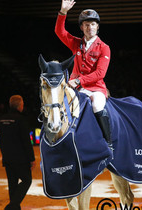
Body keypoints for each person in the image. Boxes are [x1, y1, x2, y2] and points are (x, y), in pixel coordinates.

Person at [55, 0, 113, 152]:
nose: (90, 27)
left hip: (95, 88)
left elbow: (100, 73)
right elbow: (59, 32)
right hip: (77, 88)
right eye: (86, 24)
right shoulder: (76, 43)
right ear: (82, 27)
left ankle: (108, 143)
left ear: (97, 26)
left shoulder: (104, 48)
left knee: (96, 105)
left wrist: (79, 80)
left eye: (93, 24)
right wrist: (63, 12)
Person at [0, 95, 35, 210]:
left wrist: (4, 155)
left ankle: (14, 207)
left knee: (12, 184)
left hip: (7, 157)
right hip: (20, 158)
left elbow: (1, 140)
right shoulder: (21, 120)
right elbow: (26, 141)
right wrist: (31, 158)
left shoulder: (2, 119)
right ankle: (12, 206)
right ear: (20, 105)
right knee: (27, 180)